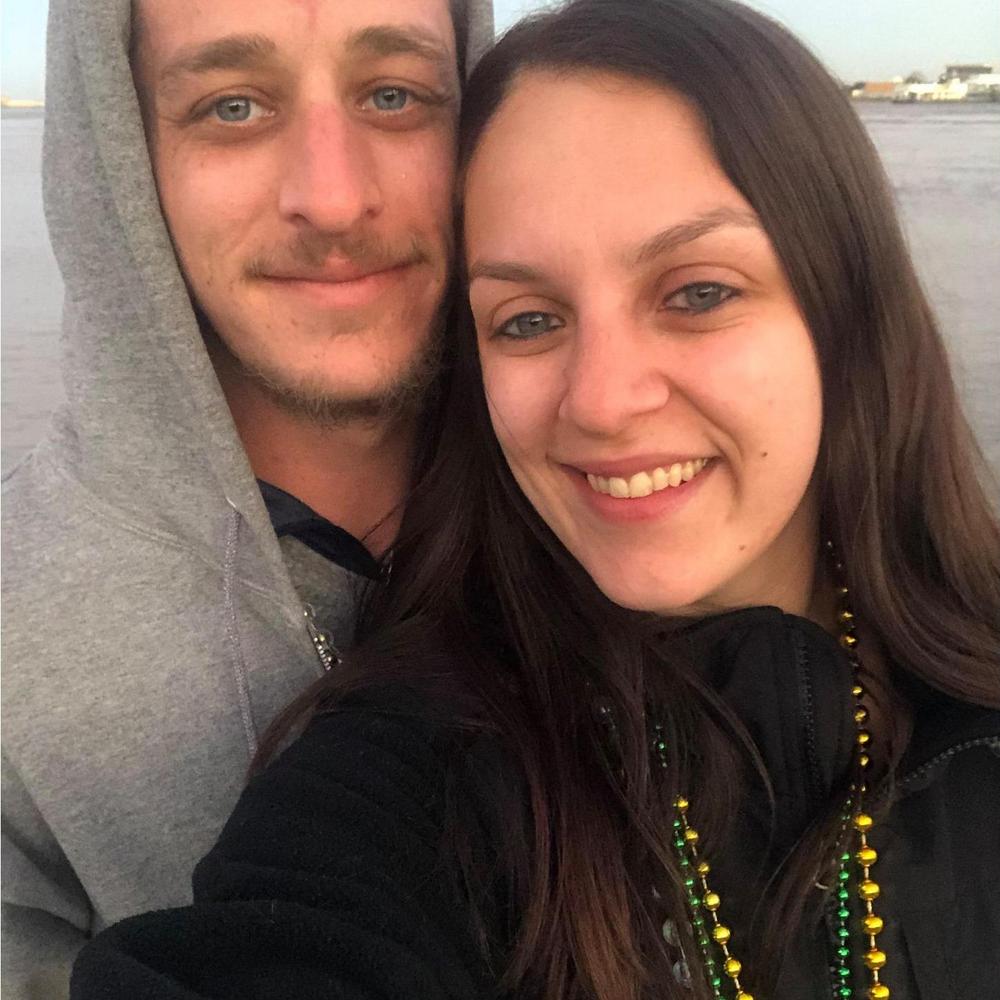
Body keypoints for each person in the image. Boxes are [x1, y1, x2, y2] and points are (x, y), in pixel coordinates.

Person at [70, 0, 1000, 997]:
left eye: (697, 292)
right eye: (527, 319)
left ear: (845, 305)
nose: (600, 400)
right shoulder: (423, 774)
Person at [1, 0, 494, 995]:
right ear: (121, 155)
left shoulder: (618, 507)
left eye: (394, 95)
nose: (334, 199)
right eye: (232, 106)